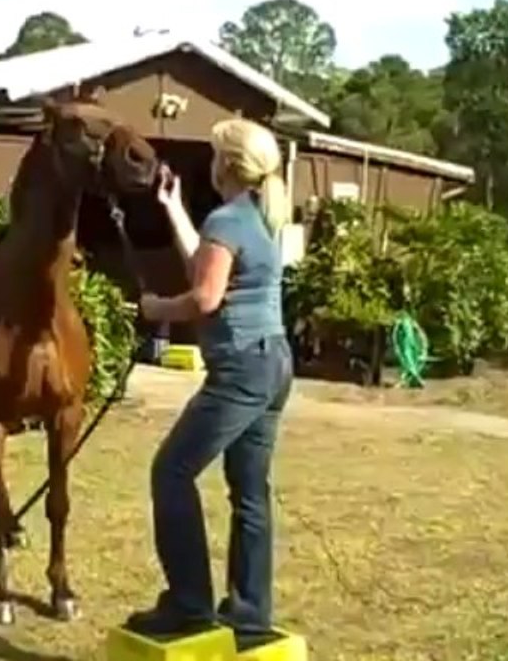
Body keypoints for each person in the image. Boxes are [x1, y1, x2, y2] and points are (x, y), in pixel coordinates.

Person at [125, 117, 294, 644]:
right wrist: (173, 208)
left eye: (215, 153)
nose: (209, 162)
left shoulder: (227, 220)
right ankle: (249, 615)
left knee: (171, 471)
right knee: (249, 491)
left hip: (241, 367)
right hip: (274, 360)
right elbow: (206, 265)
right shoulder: (259, 218)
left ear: (228, 163)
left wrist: (155, 307)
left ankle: (188, 604)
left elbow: (203, 298)